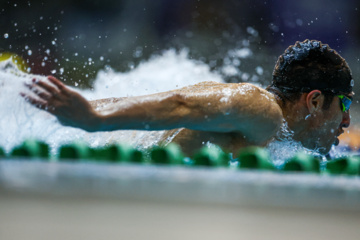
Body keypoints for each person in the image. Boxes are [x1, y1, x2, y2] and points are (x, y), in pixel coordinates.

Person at [21, 39, 354, 156]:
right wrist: (93, 119)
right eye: (345, 103)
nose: (347, 120)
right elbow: (180, 103)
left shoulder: (265, 126)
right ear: (313, 101)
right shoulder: (262, 110)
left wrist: (91, 108)